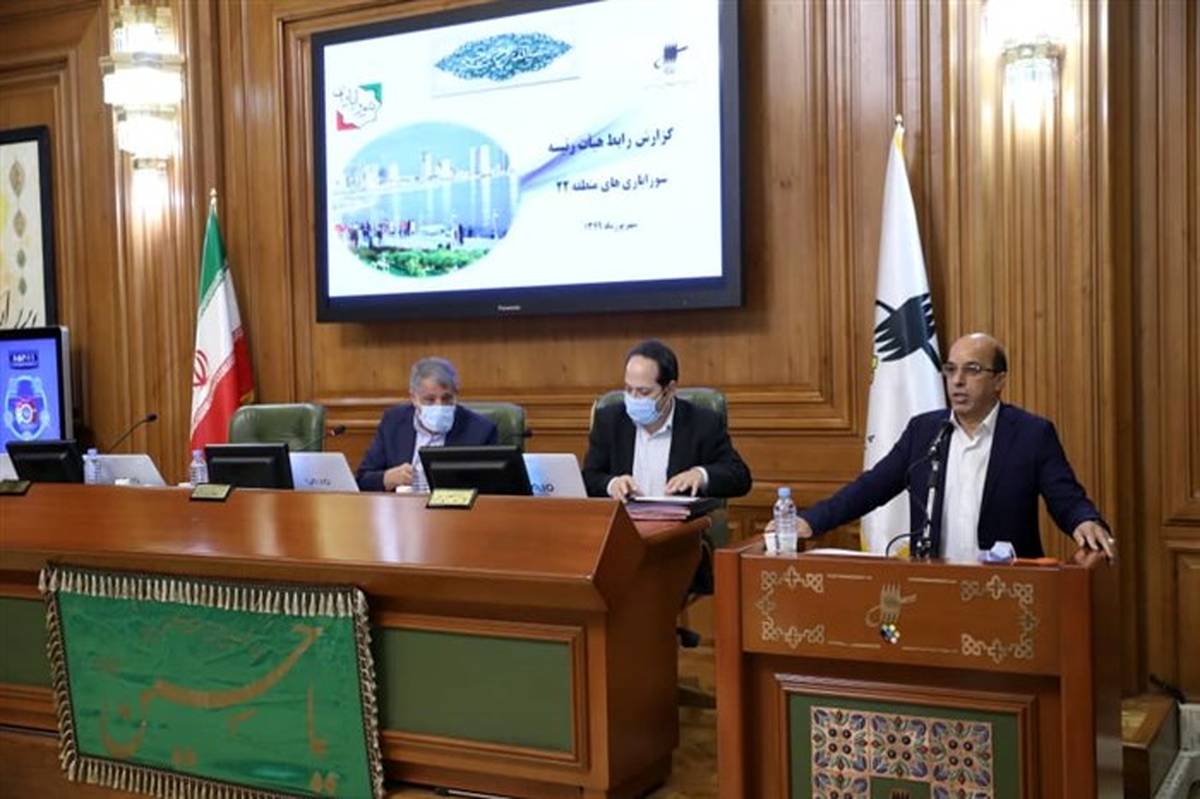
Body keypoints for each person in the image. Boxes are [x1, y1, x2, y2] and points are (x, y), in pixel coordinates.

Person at [785, 333, 1114, 561]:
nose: (957, 381)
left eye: (972, 370)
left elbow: (1066, 497)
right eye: (951, 369)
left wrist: (1084, 521)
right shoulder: (924, 432)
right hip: (935, 588)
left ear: (999, 380)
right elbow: (871, 487)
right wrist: (811, 521)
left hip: (1008, 589)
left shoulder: (1031, 434)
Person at [583, 339, 752, 499]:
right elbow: (589, 477)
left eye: (643, 392)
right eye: (628, 389)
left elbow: (740, 476)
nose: (633, 398)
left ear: (670, 389)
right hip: (623, 518)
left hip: (680, 520)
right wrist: (612, 484)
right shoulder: (609, 420)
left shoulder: (702, 423)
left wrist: (700, 475)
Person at [355, 357, 497, 491]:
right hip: (402, 505)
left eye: (447, 399)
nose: (439, 406)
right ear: (414, 398)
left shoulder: (481, 430)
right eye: (430, 399)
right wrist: (387, 478)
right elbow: (362, 479)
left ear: (456, 396)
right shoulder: (393, 421)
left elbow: (493, 488)